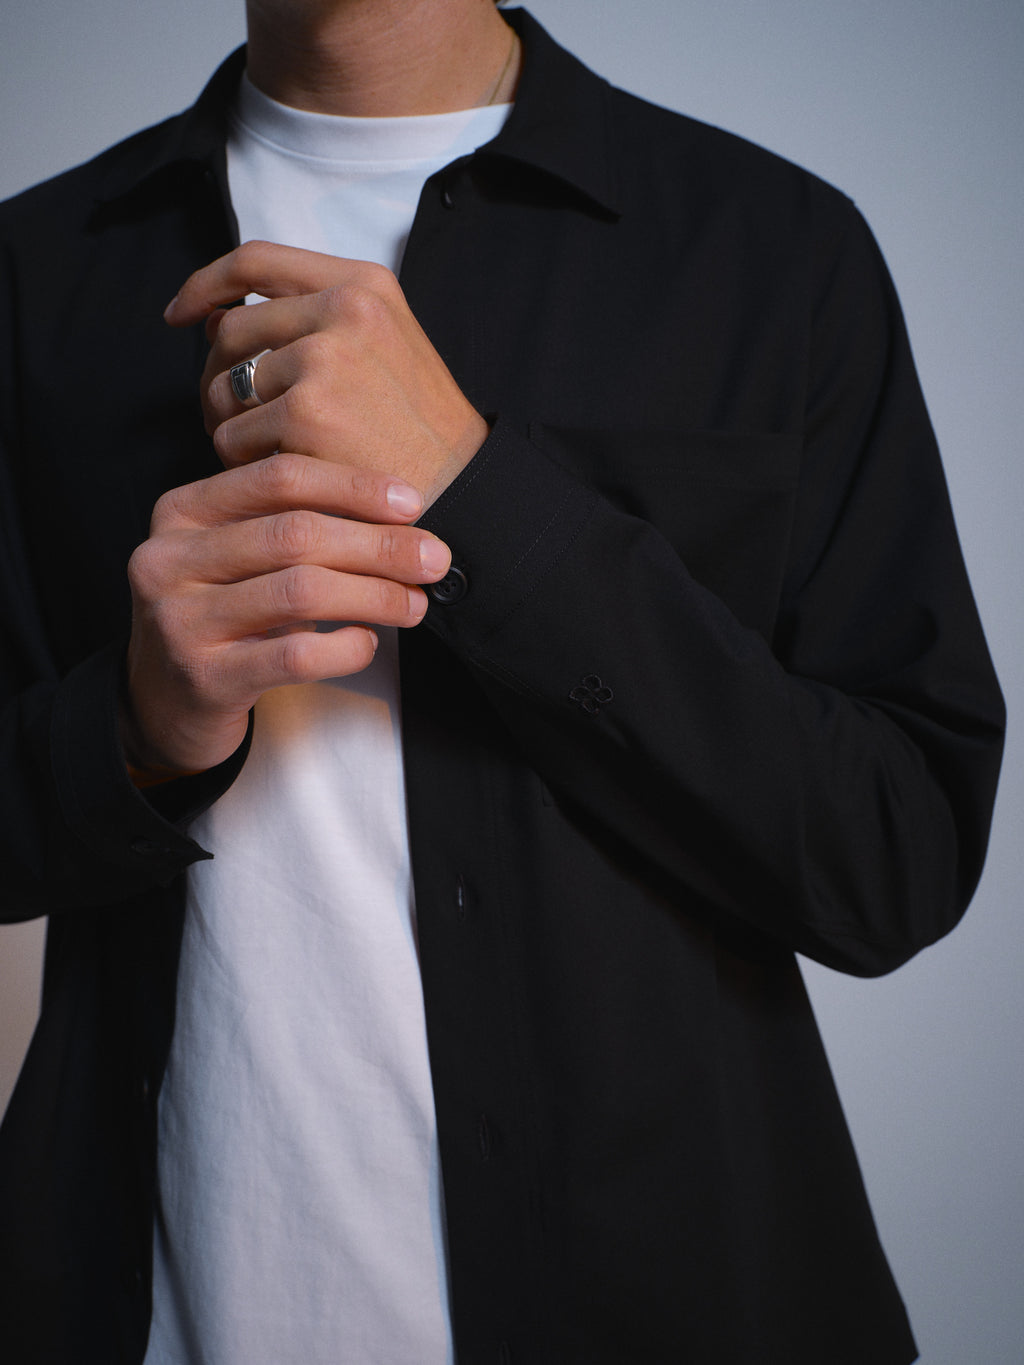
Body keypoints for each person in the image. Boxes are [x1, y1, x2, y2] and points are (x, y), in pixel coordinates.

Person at [0, 1, 1005, 1362]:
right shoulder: (34, 270)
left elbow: (898, 847)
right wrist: (137, 723)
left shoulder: (775, 252)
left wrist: (481, 489)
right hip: (154, 1309)